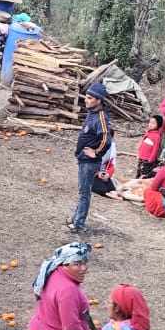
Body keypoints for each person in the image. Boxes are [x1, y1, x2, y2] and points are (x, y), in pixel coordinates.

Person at [68, 82, 112, 233]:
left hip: (90, 162)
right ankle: (75, 218)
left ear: (98, 100)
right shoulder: (91, 113)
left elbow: (107, 138)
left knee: (84, 193)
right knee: (82, 191)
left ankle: (78, 223)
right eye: (86, 97)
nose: (86, 100)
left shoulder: (101, 117)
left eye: (89, 98)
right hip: (83, 159)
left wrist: (97, 153)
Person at [136, 113, 164, 180]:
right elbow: (143, 143)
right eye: (150, 122)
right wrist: (139, 153)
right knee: (139, 171)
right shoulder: (148, 132)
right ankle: (136, 181)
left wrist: (151, 160)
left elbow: (155, 149)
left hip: (147, 160)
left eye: (153, 123)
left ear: (158, 125)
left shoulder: (157, 136)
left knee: (144, 174)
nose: (150, 124)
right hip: (141, 157)